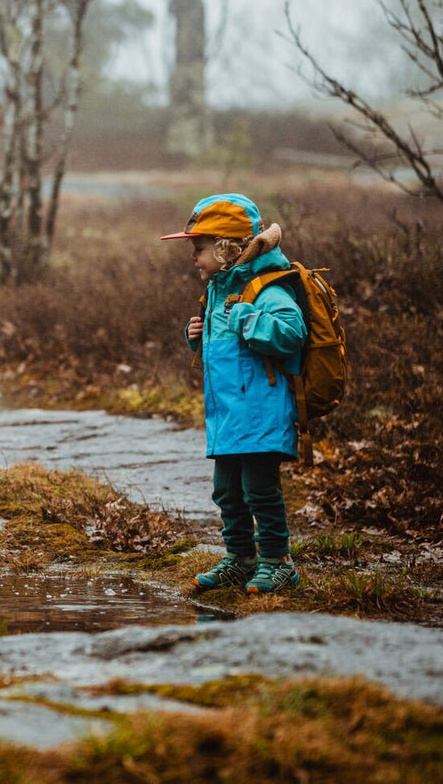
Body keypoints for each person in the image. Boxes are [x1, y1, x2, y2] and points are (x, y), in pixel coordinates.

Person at [161, 193, 306, 594]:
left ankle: (278, 563)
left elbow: (291, 334)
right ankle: (240, 559)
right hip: (228, 415)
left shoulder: (267, 289)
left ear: (227, 249)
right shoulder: (220, 292)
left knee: (259, 490)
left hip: (261, 413)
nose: (194, 257)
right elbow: (230, 355)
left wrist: (246, 317)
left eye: (200, 248)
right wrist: (198, 341)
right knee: (226, 490)